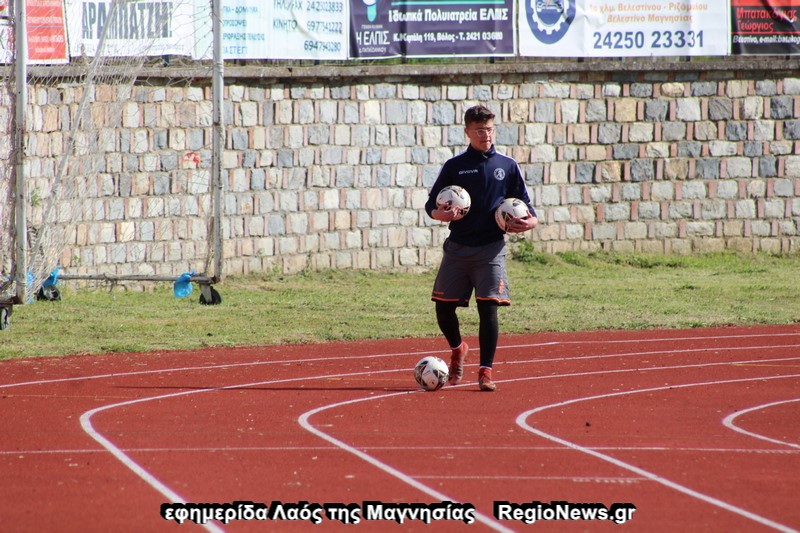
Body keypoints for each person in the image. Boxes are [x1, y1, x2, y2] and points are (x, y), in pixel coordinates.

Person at [425, 104, 538, 392]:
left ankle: (485, 371)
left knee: (488, 309)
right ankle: (458, 349)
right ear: (467, 132)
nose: (485, 135)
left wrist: (530, 223)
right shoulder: (454, 166)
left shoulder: (507, 165)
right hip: (457, 248)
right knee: (443, 309)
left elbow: (528, 207)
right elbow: (431, 205)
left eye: (488, 129)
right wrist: (440, 215)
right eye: (478, 130)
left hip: (491, 249)